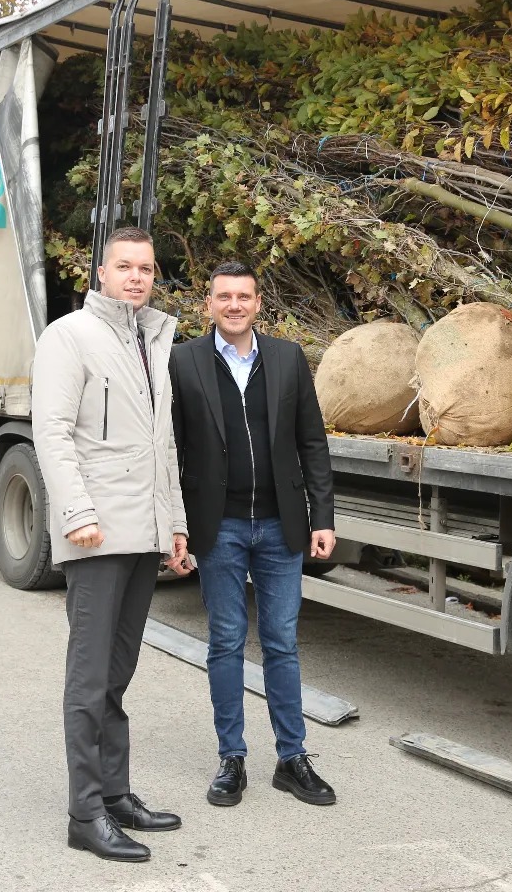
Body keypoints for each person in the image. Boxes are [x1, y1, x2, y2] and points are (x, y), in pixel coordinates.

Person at [31, 226, 189, 863]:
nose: (136, 277)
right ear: (101, 272)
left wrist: (175, 524)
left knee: (118, 673)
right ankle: (85, 812)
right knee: (89, 676)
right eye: (124, 267)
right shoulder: (69, 336)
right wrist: (75, 512)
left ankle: (116, 794)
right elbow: (52, 430)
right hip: (96, 529)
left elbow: (163, 445)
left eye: (145, 269)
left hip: (143, 531)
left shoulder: (154, 340)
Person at [169, 260, 338, 808]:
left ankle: (293, 758)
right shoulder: (184, 360)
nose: (234, 305)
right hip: (217, 527)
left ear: (259, 303)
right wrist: (175, 526)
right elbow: (171, 449)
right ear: (209, 304)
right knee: (225, 640)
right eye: (224, 296)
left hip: (280, 525)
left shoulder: (287, 358)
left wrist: (322, 517)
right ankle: (231, 758)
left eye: (244, 296)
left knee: (281, 642)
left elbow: (312, 442)